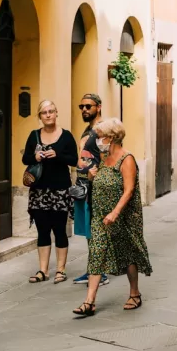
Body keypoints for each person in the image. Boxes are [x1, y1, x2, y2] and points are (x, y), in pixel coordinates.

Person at [73, 118, 152, 317]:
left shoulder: (127, 159)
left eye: (99, 137)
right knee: (96, 253)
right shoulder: (102, 156)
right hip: (100, 215)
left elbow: (129, 189)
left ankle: (135, 293)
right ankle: (89, 301)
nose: (97, 140)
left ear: (110, 137)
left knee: (128, 254)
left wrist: (115, 212)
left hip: (123, 216)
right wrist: (92, 176)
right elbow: (97, 180)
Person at [22, 100, 78, 284]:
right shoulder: (34, 135)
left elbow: (74, 160)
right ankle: (43, 270)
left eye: (51, 111)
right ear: (40, 116)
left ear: (56, 113)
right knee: (42, 230)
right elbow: (25, 159)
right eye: (44, 112)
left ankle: (60, 270)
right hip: (39, 191)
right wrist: (35, 156)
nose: (48, 115)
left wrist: (58, 155)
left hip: (60, 190)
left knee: (60, 230)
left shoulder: (66, 136)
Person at [73, 93, 109, 287]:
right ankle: (93, 270)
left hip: (95, 186)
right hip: (83, 186)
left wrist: (98, 175)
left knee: (95, 231)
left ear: (99, 107)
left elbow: (108, 156)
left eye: (88, 106)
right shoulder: (88, 129)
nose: (85, 110)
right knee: (89, 231)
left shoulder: (103, 130)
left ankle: (99, 273)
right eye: (82, 107)